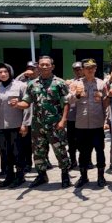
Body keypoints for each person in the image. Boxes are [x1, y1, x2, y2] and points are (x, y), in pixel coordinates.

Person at [15, 56, 71, 188]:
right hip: (38, 125)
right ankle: (41, 175)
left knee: (60, 150)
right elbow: (26, 102)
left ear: (52, 66)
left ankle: (65, 175)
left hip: (55, 124)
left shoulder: (60, 83)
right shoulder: (32, 84)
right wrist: (17, 104)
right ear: (38, 67)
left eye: (47, 64)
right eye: (42, 65)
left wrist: (63, 120)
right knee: (38, 151)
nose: (44, 67)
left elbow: (67, 104)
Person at [0, 63, 31, 188]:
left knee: (17, 152)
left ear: (10, 72)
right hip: (0, 127)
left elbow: (28, 106)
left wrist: (25, 124)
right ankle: (9, 176)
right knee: (5, 153)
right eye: (0, 72)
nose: (3, 74)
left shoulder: (21, 86)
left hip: (16, 125)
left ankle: (20, 176)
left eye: (5, 71)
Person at [70, 58, 111, 187]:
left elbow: (106, 104)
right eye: (87, 68)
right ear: (82, 69)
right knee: (83, 152)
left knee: (100, 151)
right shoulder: (75, 84)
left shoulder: (101, 84)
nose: (90, 70)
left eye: (92, 67)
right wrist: (76, 95)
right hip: (81, 125)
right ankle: (83, 177)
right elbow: (68, 101)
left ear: (95, 69)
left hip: (97, 124)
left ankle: (101, 176)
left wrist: (106, 120)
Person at [16, 61, 38, 170]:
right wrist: (23, 75)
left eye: (33, 68)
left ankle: (45, 161)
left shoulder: (39, 80)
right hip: (27, 116)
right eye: (29, 68)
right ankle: (28, 163)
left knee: (40, 141)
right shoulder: (22, 81)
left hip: (39, 115)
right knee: (26, 142)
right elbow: (14, 83)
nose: (31, 70)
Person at [66, 61, 84, 170]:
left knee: (84, 142)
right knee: (71, 142)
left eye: (80, 69)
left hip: (84, 116)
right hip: (72, 116)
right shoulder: (69, 83)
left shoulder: (88, 81)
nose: (78, 71)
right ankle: (73, 161)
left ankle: (87, 161)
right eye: (76, 69)